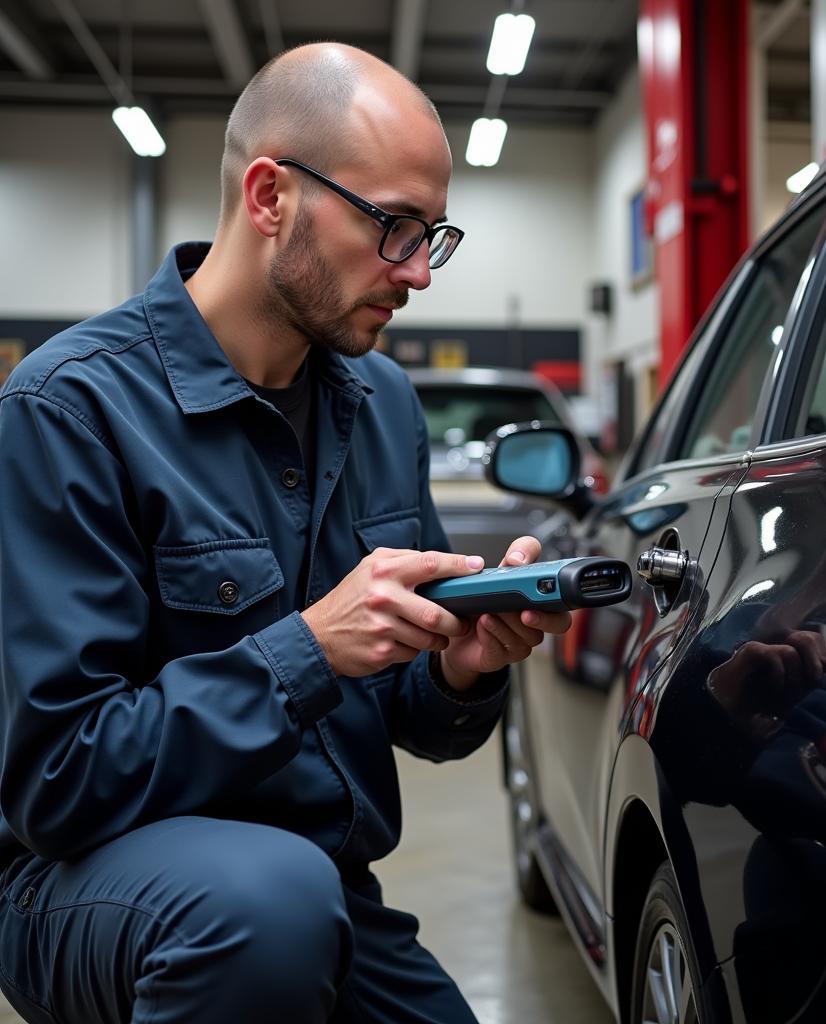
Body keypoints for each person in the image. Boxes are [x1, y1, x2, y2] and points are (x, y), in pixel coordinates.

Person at [0, 42, 570, 1024]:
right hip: (92, 884)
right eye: (393, 226)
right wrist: (303, 650)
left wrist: (459, 667)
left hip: (320, 887)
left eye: (433, 236)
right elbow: (60, 778)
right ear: (270, 197)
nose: (417, 272)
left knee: (297, 906)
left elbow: (413, 717)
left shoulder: (381, 402)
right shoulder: (67, 412)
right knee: (263, 907)